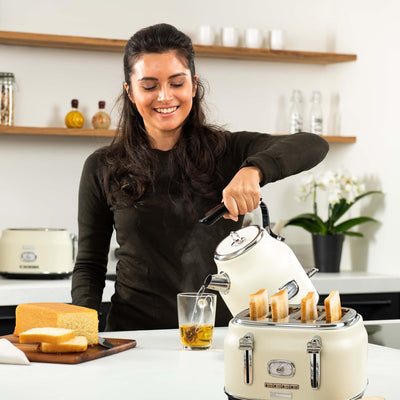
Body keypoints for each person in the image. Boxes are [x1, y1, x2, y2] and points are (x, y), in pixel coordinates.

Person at [71, 23, 329, 331]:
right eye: (149, 86)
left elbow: (313, 144)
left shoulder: (229, 151)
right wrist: (81, 333)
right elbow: (89, 265)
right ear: (130, 91)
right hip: (135, 338)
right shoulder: (103, 166)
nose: (164, 97)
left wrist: (254, 169)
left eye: (176, 83)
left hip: (220, 338)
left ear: (193, 85)